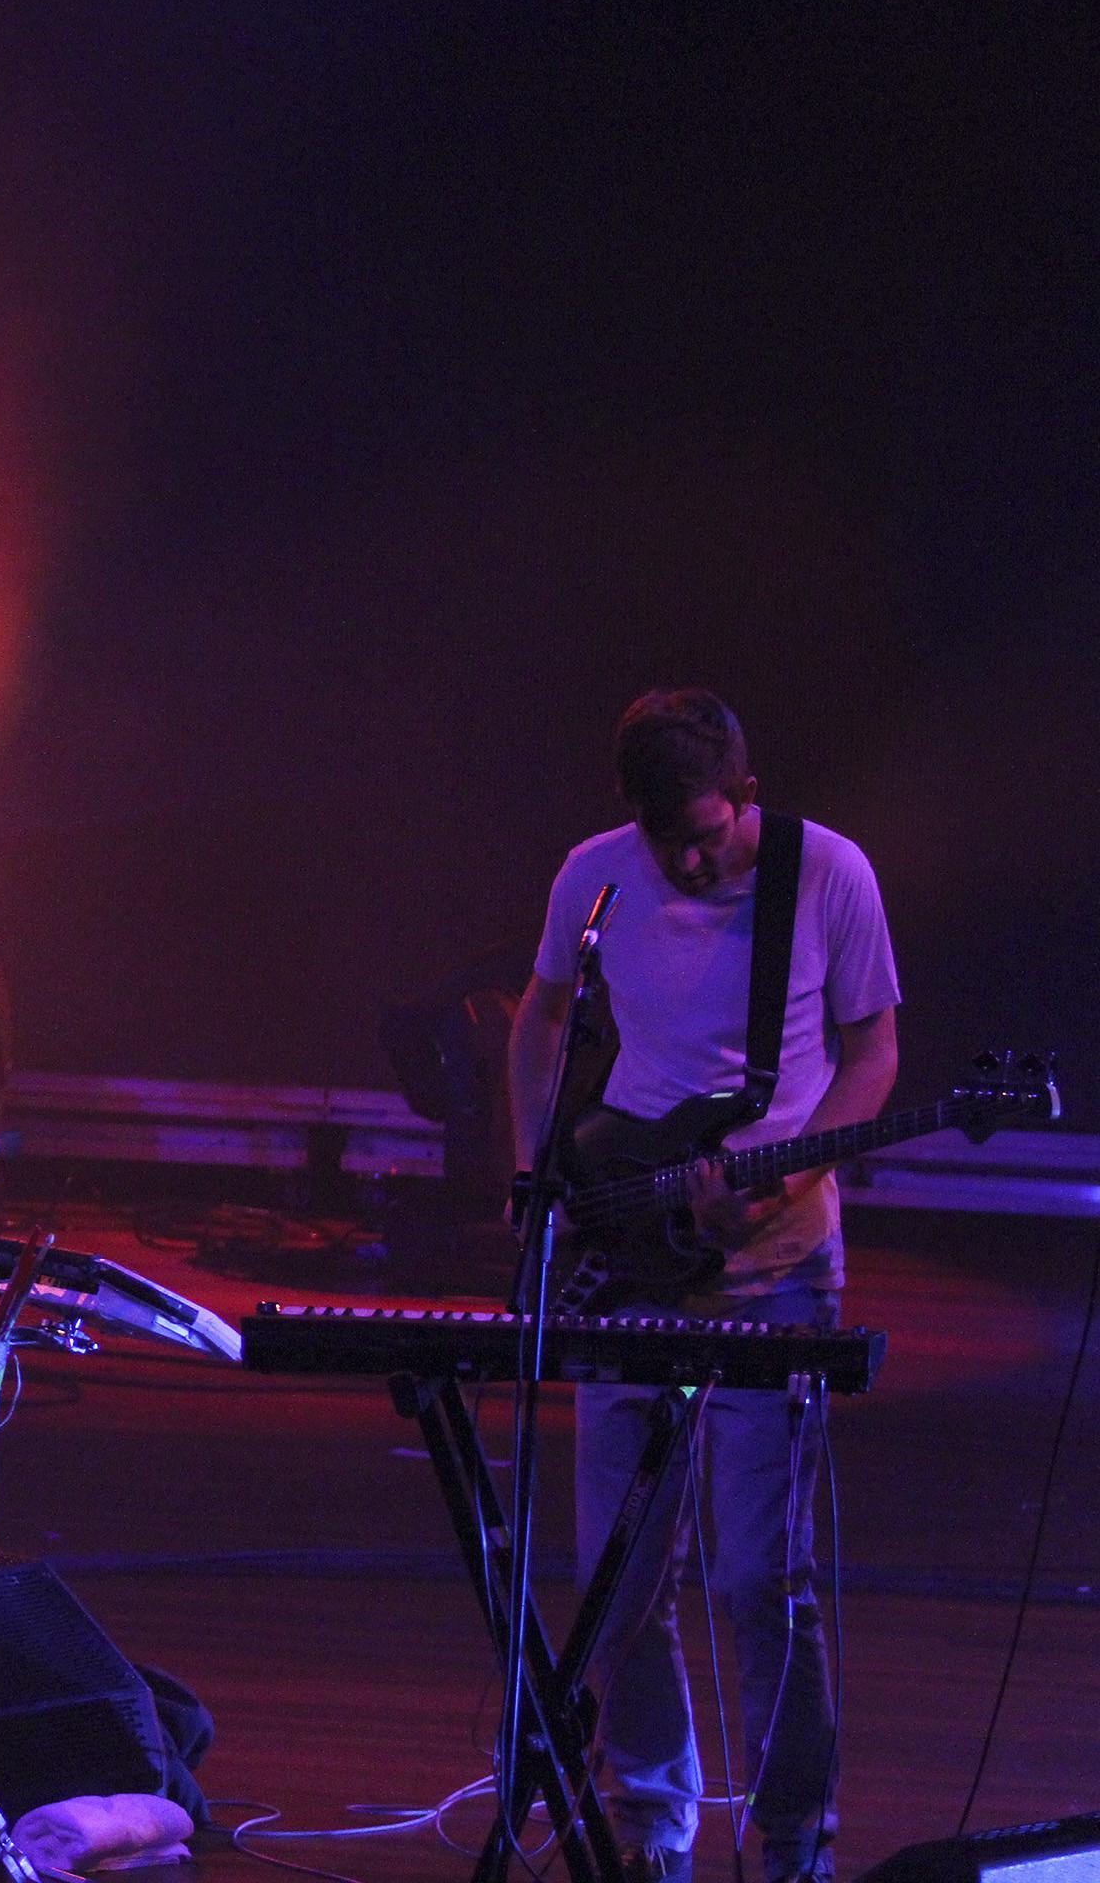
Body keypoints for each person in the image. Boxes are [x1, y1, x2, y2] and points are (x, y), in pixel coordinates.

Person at [505, 689, 900, 1883]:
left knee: (759, 1576)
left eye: (706, 834)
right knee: (620, 1577)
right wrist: (533, 1169)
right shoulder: (596, 877)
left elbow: (874, 1052)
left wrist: (790, 1177)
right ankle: (653, 1825)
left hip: (775, 1268)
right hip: (631, 1247)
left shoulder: (826, 874)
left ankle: (793, 1841)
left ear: (748, 791)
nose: (686, 859)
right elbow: (543, 1018)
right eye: (664, 835)